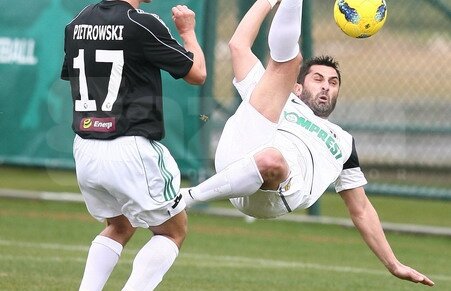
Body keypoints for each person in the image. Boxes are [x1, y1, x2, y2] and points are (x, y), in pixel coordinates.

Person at [182, 0, 434, 286]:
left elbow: (361, 209)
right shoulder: (284, 97)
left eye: (334, 82)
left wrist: (394, 263)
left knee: (271, 158)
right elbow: (239, 44)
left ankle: (185, 198)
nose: (327, 85)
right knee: (281, 70)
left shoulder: (344, 141)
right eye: (319, 79)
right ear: (299, 86)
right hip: (236, 160)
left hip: (276, 191)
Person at [61, 0, 206, 290]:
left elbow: (73, 76)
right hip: (130, 147)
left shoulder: (77, 22)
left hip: (86, 145)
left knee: (120, 225)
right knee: (172, 232)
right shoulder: (141, 22)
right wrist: (188, 31)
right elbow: (197, 74)